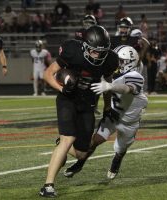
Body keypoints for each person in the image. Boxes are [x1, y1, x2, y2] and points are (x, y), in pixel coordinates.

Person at [39, 25, 118, 197]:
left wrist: (106, 105)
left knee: (82, 153)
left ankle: (62, 144)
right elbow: (47, 74)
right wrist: (62, 90)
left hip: (88, 104)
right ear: (85, 46)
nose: (98, 55)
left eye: (101, 51)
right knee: (69, 138)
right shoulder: (72, 50)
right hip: (67, 99)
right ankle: (48, 185)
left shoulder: (110, 59)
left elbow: (108, 82)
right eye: (94, 51)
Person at [63, 45, 148, 180]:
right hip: (113, 116)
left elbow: (128, 88)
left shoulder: (135, 75)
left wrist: (111, 85)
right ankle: (79, 163)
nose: (116, 64)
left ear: (129, 62)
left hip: (130, 122)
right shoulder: (112, 74)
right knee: (94, 141)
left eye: (120, 61)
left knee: (120, 150)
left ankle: (117, 160)